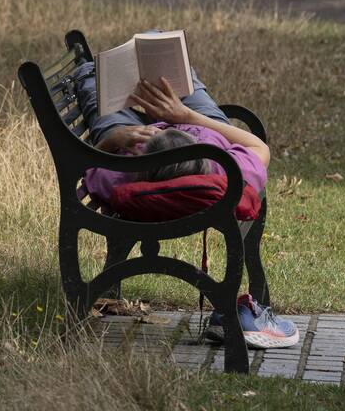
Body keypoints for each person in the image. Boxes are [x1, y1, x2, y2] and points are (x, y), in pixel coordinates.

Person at [72, 56, 300, 350]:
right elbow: (259, 146)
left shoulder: (121, 175)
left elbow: (83, 165)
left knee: (95, 78)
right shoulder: (227, 169)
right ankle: (153, 46)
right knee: (179, 71)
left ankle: (98, 65)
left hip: (130, 137)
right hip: (206, 125)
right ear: (201, 153)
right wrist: (189, 119)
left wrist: (116, 138)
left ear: (143, 159)